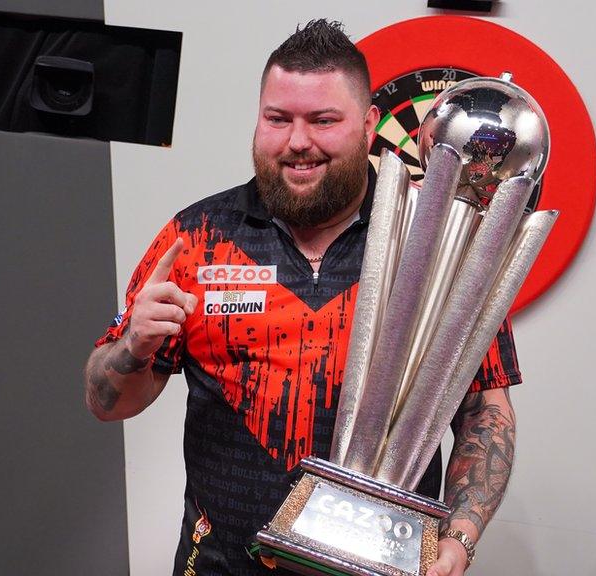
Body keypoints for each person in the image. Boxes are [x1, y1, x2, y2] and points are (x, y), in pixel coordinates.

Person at [85, 19, 519, 576]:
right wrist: (134, 347)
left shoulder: (437, 244)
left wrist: (458, 540)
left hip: (380, 567)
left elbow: (485, 411)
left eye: (322, 120)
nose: (297, 141)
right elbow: (106, 402)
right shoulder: (195, 238)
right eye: (278, 119)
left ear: (367, 126)